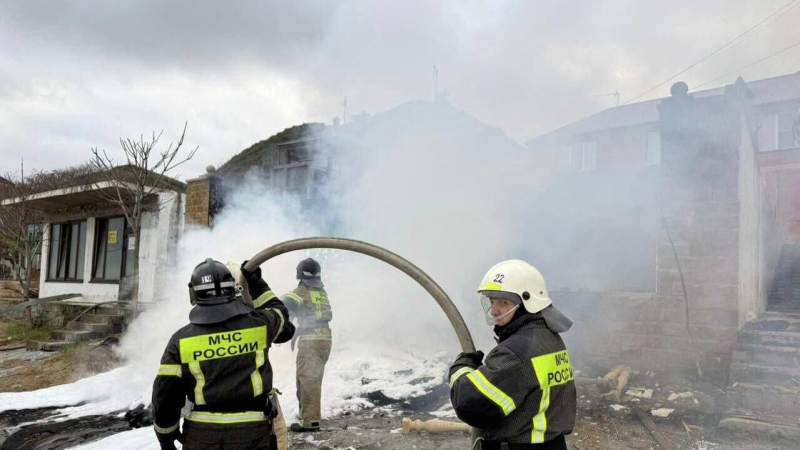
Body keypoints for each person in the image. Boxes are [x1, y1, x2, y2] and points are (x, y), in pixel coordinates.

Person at [152, 258, 295, 450]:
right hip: (251, 434)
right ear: (233, 289)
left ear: (193, 293)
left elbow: (165, 393)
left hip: (202, 436)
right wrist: (256, 283)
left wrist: (166, 436)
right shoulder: (259, 325)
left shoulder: (181, 340)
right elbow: (280, 313)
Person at [449, 260, 576, 450]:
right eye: (492, 301)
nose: (494, 310)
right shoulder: (548, 337)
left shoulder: (517, 352)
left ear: (528, 302)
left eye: (503, 302)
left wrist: (462, 367)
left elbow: (470, 406)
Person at [281, 258, 332, 432]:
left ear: (300, 275)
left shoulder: (303, 290)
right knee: (312, 378)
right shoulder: (321, 291)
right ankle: (308, 415)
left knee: (307, 379)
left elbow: (287, 305)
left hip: (311, 340)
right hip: (324, 339)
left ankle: (310, 422)